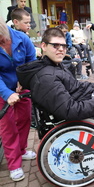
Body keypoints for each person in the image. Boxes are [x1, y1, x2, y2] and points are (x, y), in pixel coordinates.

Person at [16, 28, 94, 146]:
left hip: (77, 100)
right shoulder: (46, 78)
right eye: (55, 45)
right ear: (43, 46)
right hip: (73, 111)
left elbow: (75, 85)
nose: (61, 49)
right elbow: (69, 110)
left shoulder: (54, 65)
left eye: (63, 46)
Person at [0, 16, 37, 182]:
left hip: (22, 87)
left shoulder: (22, 38)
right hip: (2, 90)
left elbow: (32, 61)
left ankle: (22, 150)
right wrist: (7, 93)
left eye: (3, 39)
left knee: (24, 120)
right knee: (8, 128)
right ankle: (14, 164)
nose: (2, 42)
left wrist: (24, 80)